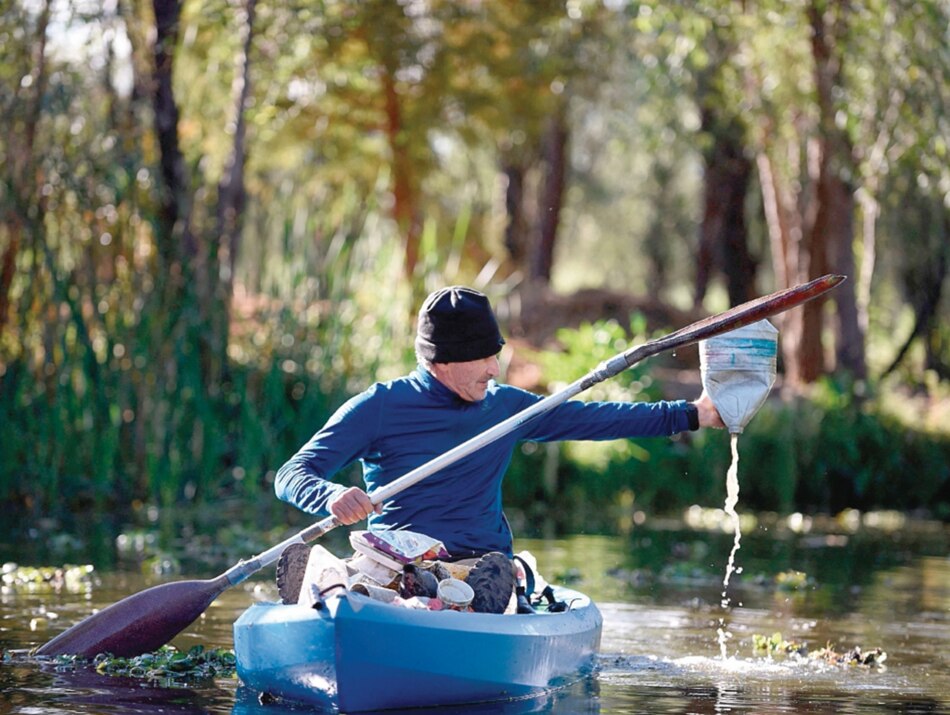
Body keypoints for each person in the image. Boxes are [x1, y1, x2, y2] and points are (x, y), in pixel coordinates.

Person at [275, 286, 724, 610]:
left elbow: (596, 418)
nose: (495, 368)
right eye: (484, 357)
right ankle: (333, 586)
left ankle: (470, 600)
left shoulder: (506, 408)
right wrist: (331, 495)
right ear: (441, 360)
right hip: (394, 558)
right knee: (385, 579)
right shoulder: (380, 407)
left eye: (497, 354)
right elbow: (292, 475)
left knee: (472, 583)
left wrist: (693, 413)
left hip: (477, 563)